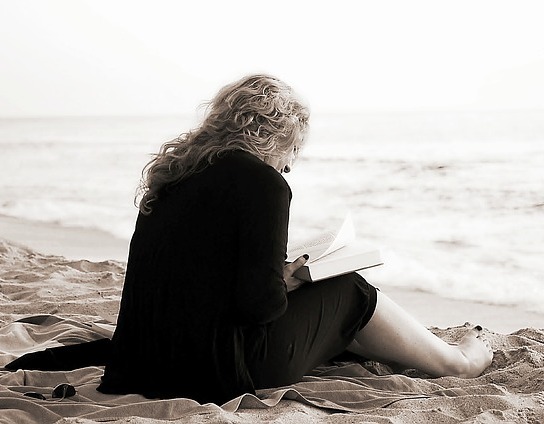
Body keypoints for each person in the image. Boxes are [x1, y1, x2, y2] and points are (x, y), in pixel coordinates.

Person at [7, 74, 493, 404]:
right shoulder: (262, 182)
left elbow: (186, 278)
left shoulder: (174, 175)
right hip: (216, 375)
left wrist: (275, 275)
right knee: (350, 288)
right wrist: (293, 279)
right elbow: (259, 308)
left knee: (331, 302)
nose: (291, 164)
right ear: (274, 136)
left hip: (144, 364)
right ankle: (457, 363)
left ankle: (397, 346)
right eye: (294, 149)